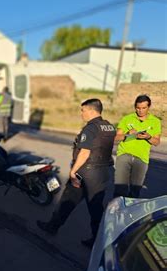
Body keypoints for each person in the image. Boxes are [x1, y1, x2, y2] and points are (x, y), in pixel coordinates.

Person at [37, 99, 116, 248]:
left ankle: (53, 227)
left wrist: (73, 172)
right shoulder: (108, 126)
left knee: (68, 201)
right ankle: (98, 239)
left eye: (83, 110)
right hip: (102, 172)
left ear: (92, 111)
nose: (81, 113)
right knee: (95, 207)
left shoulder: (90, 129)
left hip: (86, 172)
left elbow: (85, 152)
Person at [113, 95, 162, 198]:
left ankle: (131, 213)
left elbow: (156, 142)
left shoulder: (155, 121)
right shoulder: (127, 118)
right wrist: (127, 134)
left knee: (135, 191)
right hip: (124, 155)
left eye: (144, 108)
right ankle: (116, 211)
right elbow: (116, 138)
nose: (140, 111)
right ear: (135, 107)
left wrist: (148, 137)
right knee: (120, 189)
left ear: (149, 107)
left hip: (142, 158)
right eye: (138, 108)